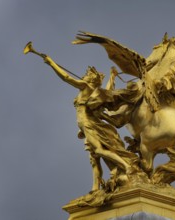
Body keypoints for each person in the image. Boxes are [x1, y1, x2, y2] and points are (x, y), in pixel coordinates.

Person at [43, 55, 137, 191]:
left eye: (86, 75)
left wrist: (52, 63)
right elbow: (107, 91)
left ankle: (127, 166)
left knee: (99, 150)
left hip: (88, 123)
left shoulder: (86, 87)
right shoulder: (95, 92)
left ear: (92, 79)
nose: (84, 77)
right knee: (94, 159)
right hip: (86, 126)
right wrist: (112, 77)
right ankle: (95, 188)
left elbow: (67, 78)